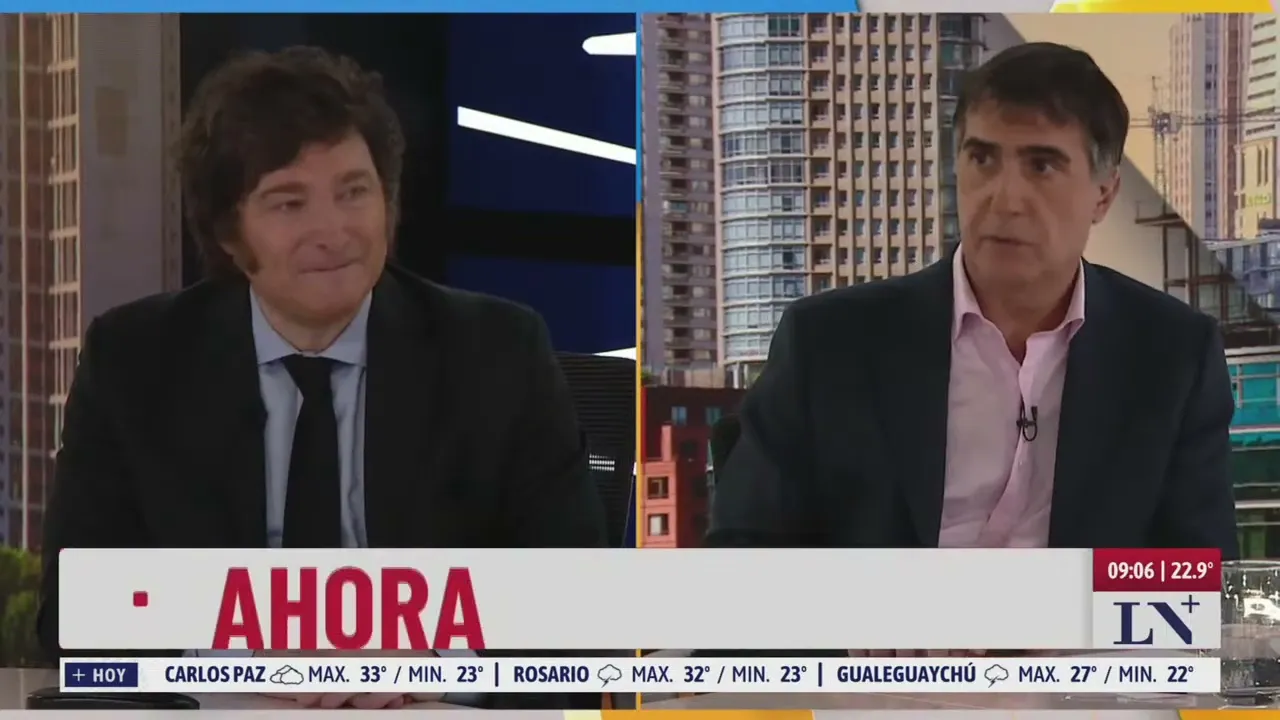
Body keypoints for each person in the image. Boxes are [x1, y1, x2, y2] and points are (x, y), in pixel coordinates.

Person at [37, 46, 609, 709]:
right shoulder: (136, 362)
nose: (332, 231)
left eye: (353, 192)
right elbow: (75, 616)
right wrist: (251, 658)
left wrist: (429, 658)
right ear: (229, 234)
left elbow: (579, 607)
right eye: (288, 203)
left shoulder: (497, 353)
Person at [709, 42, 1239, 559]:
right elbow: (743, 558)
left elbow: (1198, 580)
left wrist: (1082, 608)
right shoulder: (827, 344)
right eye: (982, 158)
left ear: (1104, 194)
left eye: (1042, 166)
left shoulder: (1171, 356)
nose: (1004, 199)